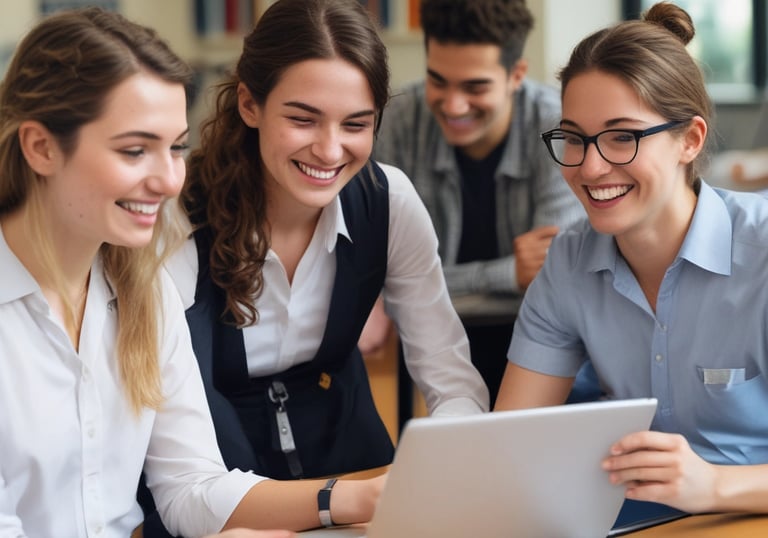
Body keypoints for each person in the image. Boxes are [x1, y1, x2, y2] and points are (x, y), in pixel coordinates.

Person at [0, 7, 385, 537]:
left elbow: (190, 485)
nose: (169, 180)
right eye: (135, 150)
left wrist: (358, 497)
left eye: (176, 147)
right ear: (41, 147)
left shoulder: (142, 286)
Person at [152, 0, 485, 511]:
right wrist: (345, 502)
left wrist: (432, 468)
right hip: (224, 497)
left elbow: (452, 379)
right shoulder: (174, 220)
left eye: (356, 124)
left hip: (362, 475)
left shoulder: (388, 200)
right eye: (303, 120)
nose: (330, 151)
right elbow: (184, 481)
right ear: (249, 104)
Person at [495, 0, 768, 521]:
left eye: (623, 137)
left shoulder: (762, 256)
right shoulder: (569, 264)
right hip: (629, 519)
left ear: (689, 139)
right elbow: (509, 443)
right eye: (574, 138)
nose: (591, 167)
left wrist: (711, 485)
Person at [369, 0, 586, 406]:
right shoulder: (399, 119)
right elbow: (382, 278)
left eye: (475, 87)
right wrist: (507, 274)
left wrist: (420, 284)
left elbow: (551, 283)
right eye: (438, 81)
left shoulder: (557, 126)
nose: (453, 106)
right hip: (428, 338)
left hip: (536, 340)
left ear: (516, 75)